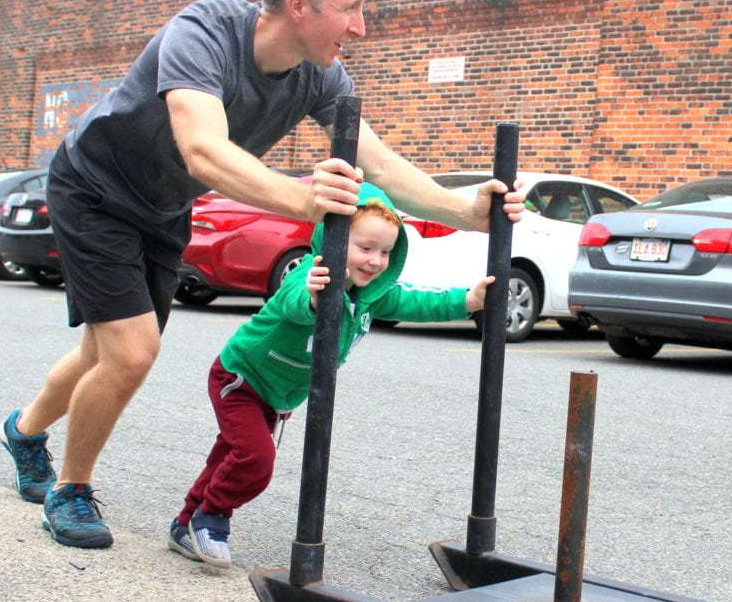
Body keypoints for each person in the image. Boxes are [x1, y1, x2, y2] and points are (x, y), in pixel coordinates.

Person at [0, 0, 522, 551]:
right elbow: (203, 149)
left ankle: (24, 433)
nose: (360, 28)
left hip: (161, 207)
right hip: (94, 189)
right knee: (132, 353)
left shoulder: (319, 76)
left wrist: (465, 209)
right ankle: (70, 490)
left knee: (103, 355)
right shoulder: (203, 34)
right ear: (299, 6)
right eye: (349, 8)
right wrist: (304, 199)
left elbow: (377, 164)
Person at [168, 182, 493, 567]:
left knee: (231, 454)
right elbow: (292, 302)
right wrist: (312, 297)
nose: (375, 260)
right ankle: (212, 517)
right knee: (255, 459)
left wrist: (468, 301)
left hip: (277, 391)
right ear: (335, 240)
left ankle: (184, 524)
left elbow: (416, 301)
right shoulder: (311, 273)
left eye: (386, 251)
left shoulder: (371, 293)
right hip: (242, 377)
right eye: (365, 247)